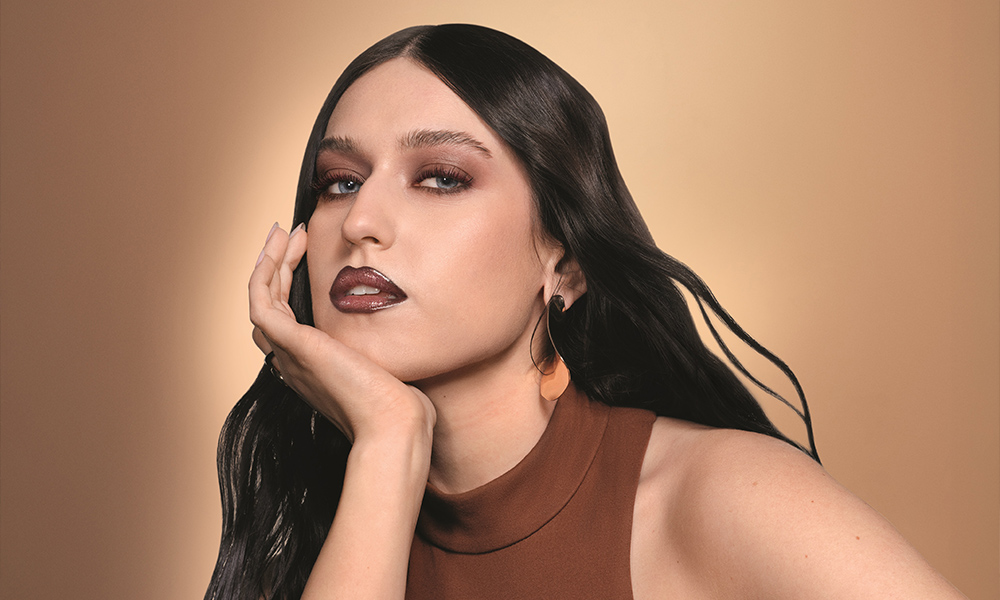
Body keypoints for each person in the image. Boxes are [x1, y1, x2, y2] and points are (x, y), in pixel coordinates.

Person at [205, 24, 965, 600]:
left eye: (439, 177)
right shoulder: (328, 534)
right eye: (340, 182)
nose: (362, 221)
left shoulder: (716, 496)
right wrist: (388, 441)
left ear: (564, 262)